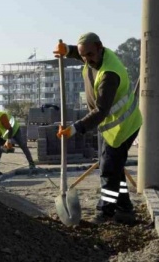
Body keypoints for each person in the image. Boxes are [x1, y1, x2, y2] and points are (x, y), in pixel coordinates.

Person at [55, 33, 142, 224]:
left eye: (90, 55)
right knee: (114, 169)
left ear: (100, 47)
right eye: (83, 56)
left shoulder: (109, 74)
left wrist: (75, 128)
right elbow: (82, 53)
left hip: (123, 127)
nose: (87, 60)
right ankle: (125, 209)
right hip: (109, 127)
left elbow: (101, 111)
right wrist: (68, 50)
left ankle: (106, 211)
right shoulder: (96, 56)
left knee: (109, 170)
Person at [0, 107, 36, 177]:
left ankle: (31, 164)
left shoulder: (2, 116)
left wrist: (9, 140)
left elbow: (10, 129)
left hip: (13, 129)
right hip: (2, 132)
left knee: (22, 145)